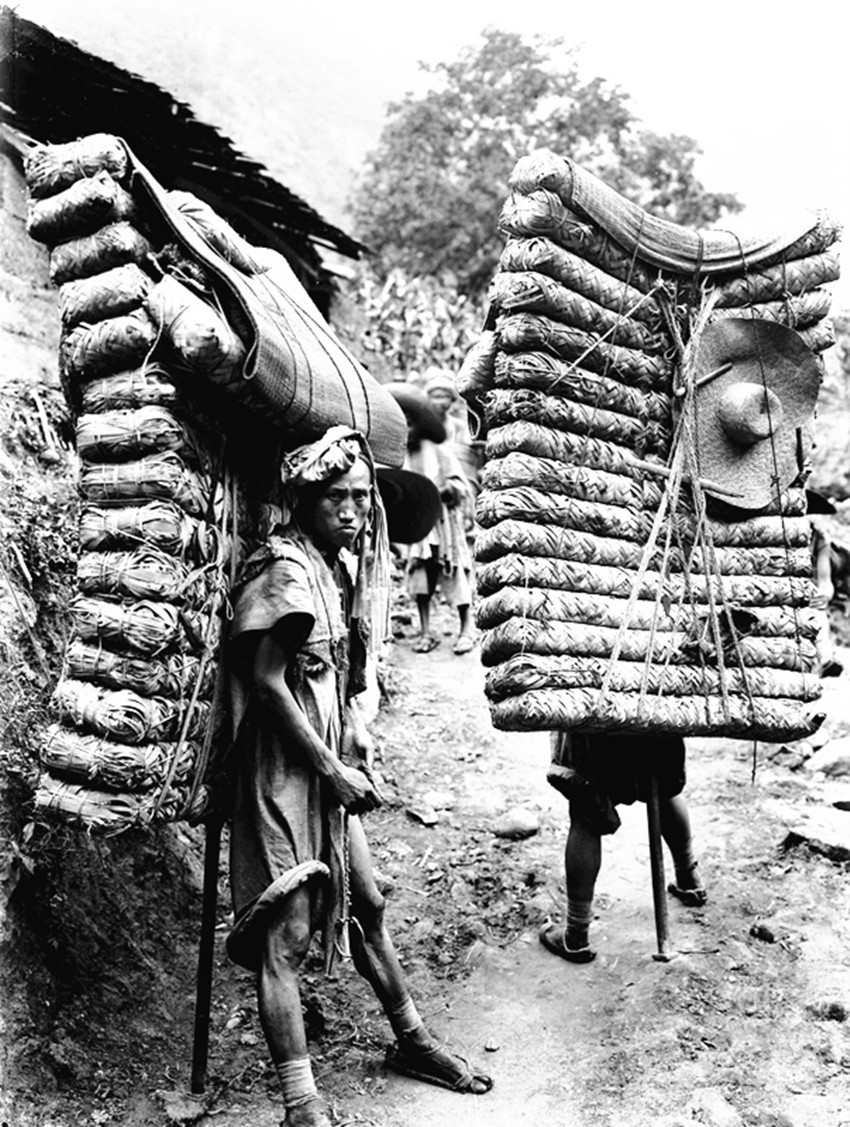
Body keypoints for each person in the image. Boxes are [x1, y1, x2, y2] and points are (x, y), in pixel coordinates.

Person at [225, 427, 492, 1126]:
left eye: (359, 498)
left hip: (326, 765)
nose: (351, 511)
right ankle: (300, 1101)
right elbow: (268, 682)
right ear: (304, 500)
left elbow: (330, 677)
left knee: (367, 902)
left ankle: (414, 1040)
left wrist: (353, 735)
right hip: (282, 771)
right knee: (288, 932)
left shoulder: (332, 569)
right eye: (335, 498)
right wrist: (330, 768)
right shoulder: (284, 570)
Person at [540, 730, 706, 964]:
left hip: (598, 728)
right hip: (652, 719)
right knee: (661, 784)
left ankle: (576, 935)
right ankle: (689, 878)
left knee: (585, 807)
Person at [385, 382, 475, 655]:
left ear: (419, 425)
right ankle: (425, 631)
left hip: (444, 522)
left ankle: (466, 628)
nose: (407, 430)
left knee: (453, 570)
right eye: (401, 424)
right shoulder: (396, 454)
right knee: (420, 576)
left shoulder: (438, 450)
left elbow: (461, 485)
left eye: (411, 423)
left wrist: (444, 491)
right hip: (417, 524)